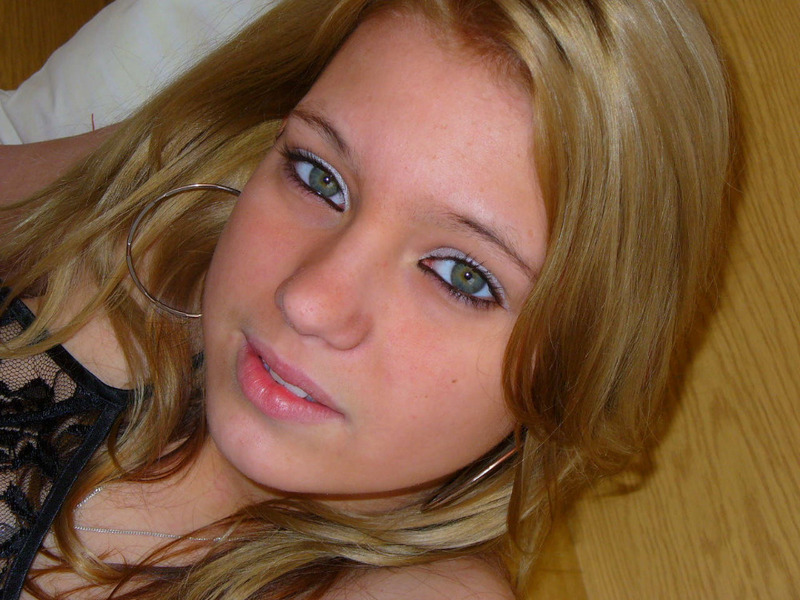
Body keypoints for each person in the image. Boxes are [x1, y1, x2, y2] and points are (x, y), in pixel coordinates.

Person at [0, 0, 731, 598]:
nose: (309, 300)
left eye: (461, 276)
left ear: (569, 362)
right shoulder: (166, 209)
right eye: (319, 177)